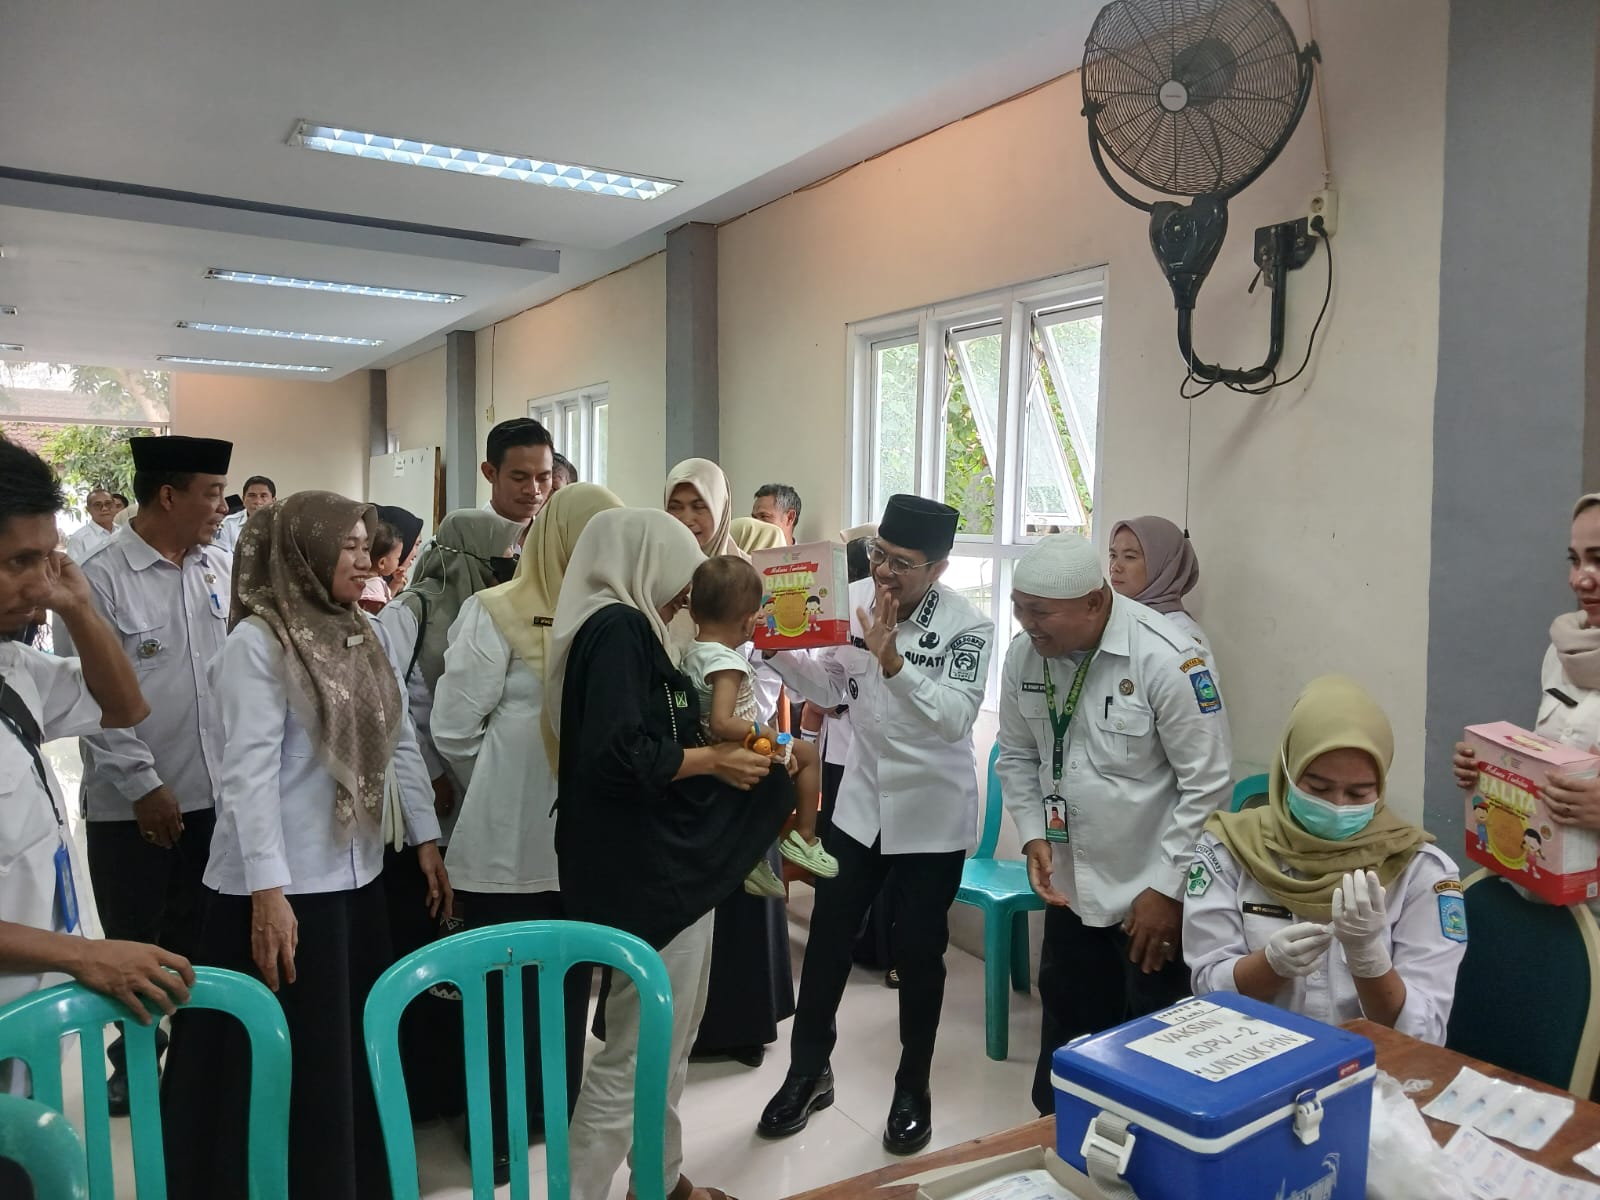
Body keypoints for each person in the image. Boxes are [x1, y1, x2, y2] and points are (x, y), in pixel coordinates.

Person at [161, 491, 448, 1200]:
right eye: (346, 546)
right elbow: (247, 777)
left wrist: (425, 837)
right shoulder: (258, 644)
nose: (364, 559)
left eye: (365, 545)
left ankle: (346, 1180)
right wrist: (268, 891)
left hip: (354, 880)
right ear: (303, 554)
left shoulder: (362, 631)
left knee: (343, 1052)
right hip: (280, 894)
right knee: (277, 1060)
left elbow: (397, 740)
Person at [549, 508, 793, 1200]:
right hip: (648, 872)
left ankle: (657, 1181)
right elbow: (620, 754)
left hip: (652, 864)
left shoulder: (622, 628)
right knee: (636, 1055)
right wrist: (715, 759)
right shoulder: (619, 629)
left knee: (667, 1039)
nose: (683, 602)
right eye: (680, 587)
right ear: (645, 562)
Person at [759, 495, 993, 1155]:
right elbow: (833, 690)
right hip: (861, 803)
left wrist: (894, 664)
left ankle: (912, 1088)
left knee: (918, 954)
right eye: (879, 555)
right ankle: (808, 1073)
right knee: (829, 937)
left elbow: (954, 719)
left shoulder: (969, 627)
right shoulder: (851, 600)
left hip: (930, 816)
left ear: (938, 569)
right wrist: (776, 650)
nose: (885, 571)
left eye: (902, 563)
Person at [996, 532, 1232, 1117]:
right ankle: (1060, 1148)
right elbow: (1018, 754)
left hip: (1148, 902)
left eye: (1040, 612)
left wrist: (1167, 890)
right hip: (1071, 891)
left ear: (1095, 602)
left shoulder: (1169, 657)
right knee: (1067, 1058)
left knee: (1150, 1064)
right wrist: (1032, 832)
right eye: (1019, 609)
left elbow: (1208, 784)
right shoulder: (1026, 655)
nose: (1027, 625)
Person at [430, 482, 621, 1182]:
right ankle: (495, 1128)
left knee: (566, 986)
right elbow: (454, 727)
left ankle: (551, 1108)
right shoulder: (496, 610)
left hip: (583, 844)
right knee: (501, 994)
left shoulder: (617, 618)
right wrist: (511, 777)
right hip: (506, 842)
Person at [0, 440, 189, 1102]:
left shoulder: (12, 668)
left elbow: (124, 705)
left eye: (46, 560)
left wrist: (78, 608)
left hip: (26, 1019)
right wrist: (86, 956)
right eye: (18, 563)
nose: (39, 584)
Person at [60, 434, 232, 1115]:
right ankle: (133, 1061)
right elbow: (90, 696)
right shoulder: (99, 578)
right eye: (212, 494)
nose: (222, 507)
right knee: (135, 941)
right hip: (131, 807)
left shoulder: (217, 567)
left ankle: (195, 1061)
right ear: (168, 496)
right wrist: (144, 785)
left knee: (202, 937)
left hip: (212, 796)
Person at [1187, 676, 1466, 1041]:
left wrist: (1368, 959)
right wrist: (1270, 965)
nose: (1337, 805)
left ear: (1381, 785)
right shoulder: (1231, 850)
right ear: (1288, 770)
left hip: (1373, 1062)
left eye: (1358, 792)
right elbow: (1207, 991)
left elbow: (1426, 1033)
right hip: (1255, 1053)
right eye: (1318, 788)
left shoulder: (1421, 872)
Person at [662, 458, 794, 1068]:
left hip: (743, 753)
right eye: (677, 505)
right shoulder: (655, 574)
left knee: (745, 893)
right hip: (685, 763)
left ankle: (742, 1024)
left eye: (699, 506)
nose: (688, 518)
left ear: (721, 510)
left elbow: (774, 670)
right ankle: (682, 1026)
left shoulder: (748, 580)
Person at [1452, 492, 1600, 921]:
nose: (1580, 580)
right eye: (1575, 560)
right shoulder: (1564, 652)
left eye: (1599, 559)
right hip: (1548, 905)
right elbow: (1549, 765)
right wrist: (1491, 773)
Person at [682, 554, 837, 896]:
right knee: (808, 754)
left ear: (693, 611)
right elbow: (723, 721)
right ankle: (805, 838)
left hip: (711, 742)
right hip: (740, 744)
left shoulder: (692, 651)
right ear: (750, 621)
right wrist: (769, 734)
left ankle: (752, 858)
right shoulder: (727, 663)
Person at [1108, 516, 1207, 651]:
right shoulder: (1110, 619)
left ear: (1165, 566)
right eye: (1113, 555)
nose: (1115, 567)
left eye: (1130, 557)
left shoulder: (1181, 634)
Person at [481, 417, 555, 553]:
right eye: (519, 478)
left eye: (543, 478)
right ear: (490, 473)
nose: (533, 490)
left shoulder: (557, 541)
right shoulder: (462, 545)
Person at [212, 475, 275, 553]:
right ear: (243, 500)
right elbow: (220, 556)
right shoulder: (229, 523)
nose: (258, 501)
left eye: (263, 496)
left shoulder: (282, 524)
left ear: (273, 501)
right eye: (252, 495)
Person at [64, 488, 118, 562]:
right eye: (97, 505)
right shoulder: (78, 539)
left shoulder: (123, 532)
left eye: (108, 504)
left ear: (115, 506)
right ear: (88, 509)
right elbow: (73, 568)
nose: (104, 509)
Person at [358, 519, 401, 614]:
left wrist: (396, 582)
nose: (398, 562)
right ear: (382, 562)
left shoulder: (370, 580)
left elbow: (387, 596)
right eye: (397, 558)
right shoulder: (374, 589)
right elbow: (378, 617)